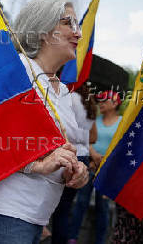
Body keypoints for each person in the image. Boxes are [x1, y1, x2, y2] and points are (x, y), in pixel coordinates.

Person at [0, 0, 89, 244]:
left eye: (78, 25)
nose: (78, 32)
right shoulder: (16, 72)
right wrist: (37, 165)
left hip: (37, 217)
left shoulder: (63, 92)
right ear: (43, 31)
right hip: (3, 215)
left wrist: (75, 170)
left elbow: (53, 148)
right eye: (69, 23)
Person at [67, 90, 121, 244]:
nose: (100, 103)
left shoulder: (123, 121)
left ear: (116, 103)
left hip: (108, 171)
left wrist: (105, 162)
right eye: (99, 100)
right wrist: (94, 155)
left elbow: (122, 145)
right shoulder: (94, 120)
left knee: (103, 208)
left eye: (105, 100)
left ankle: (100, 241)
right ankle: (72, 238)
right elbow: (86, 140)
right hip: (90, 165)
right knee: (81, 202)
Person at [51, 82, 97, 244]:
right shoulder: (89, 104)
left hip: (69, 153)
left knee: (60, 208)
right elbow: (93, 138)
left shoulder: (69, 98)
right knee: (66, 206)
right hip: (83, 155)